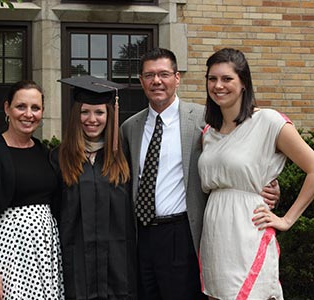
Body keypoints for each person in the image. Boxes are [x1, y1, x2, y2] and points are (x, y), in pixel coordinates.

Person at [120, 47, 280, 300]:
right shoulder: (130, 127)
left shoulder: (205, 119)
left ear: (177, 77)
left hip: (181, 233)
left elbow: (240, 152)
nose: (156, 81)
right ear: (141, 81)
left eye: (164, 74)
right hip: (141, 236)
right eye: (149, 75)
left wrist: (264, 183)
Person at [198, 47, 314, 300]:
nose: (218, 85)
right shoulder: (209, 132)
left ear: (243, 84)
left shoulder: (268, 122)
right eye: (212, 79)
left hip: (248, 230)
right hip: (215, 234)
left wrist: (286, 219)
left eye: (227, 78)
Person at [0, 80, 64, 300]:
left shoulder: (45, 152)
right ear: (7, 108)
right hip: (4, 255)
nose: (28, 114)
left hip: (44, 256)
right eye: (21, 106)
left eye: (35, 108)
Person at [52, 75, 137, 300]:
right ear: (75, 115)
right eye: (85, 112)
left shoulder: (125, 157)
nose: (92, 119)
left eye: (99, 112)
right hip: (75, 266)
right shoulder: (59, 158)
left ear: (110, 115)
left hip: (118, 268)